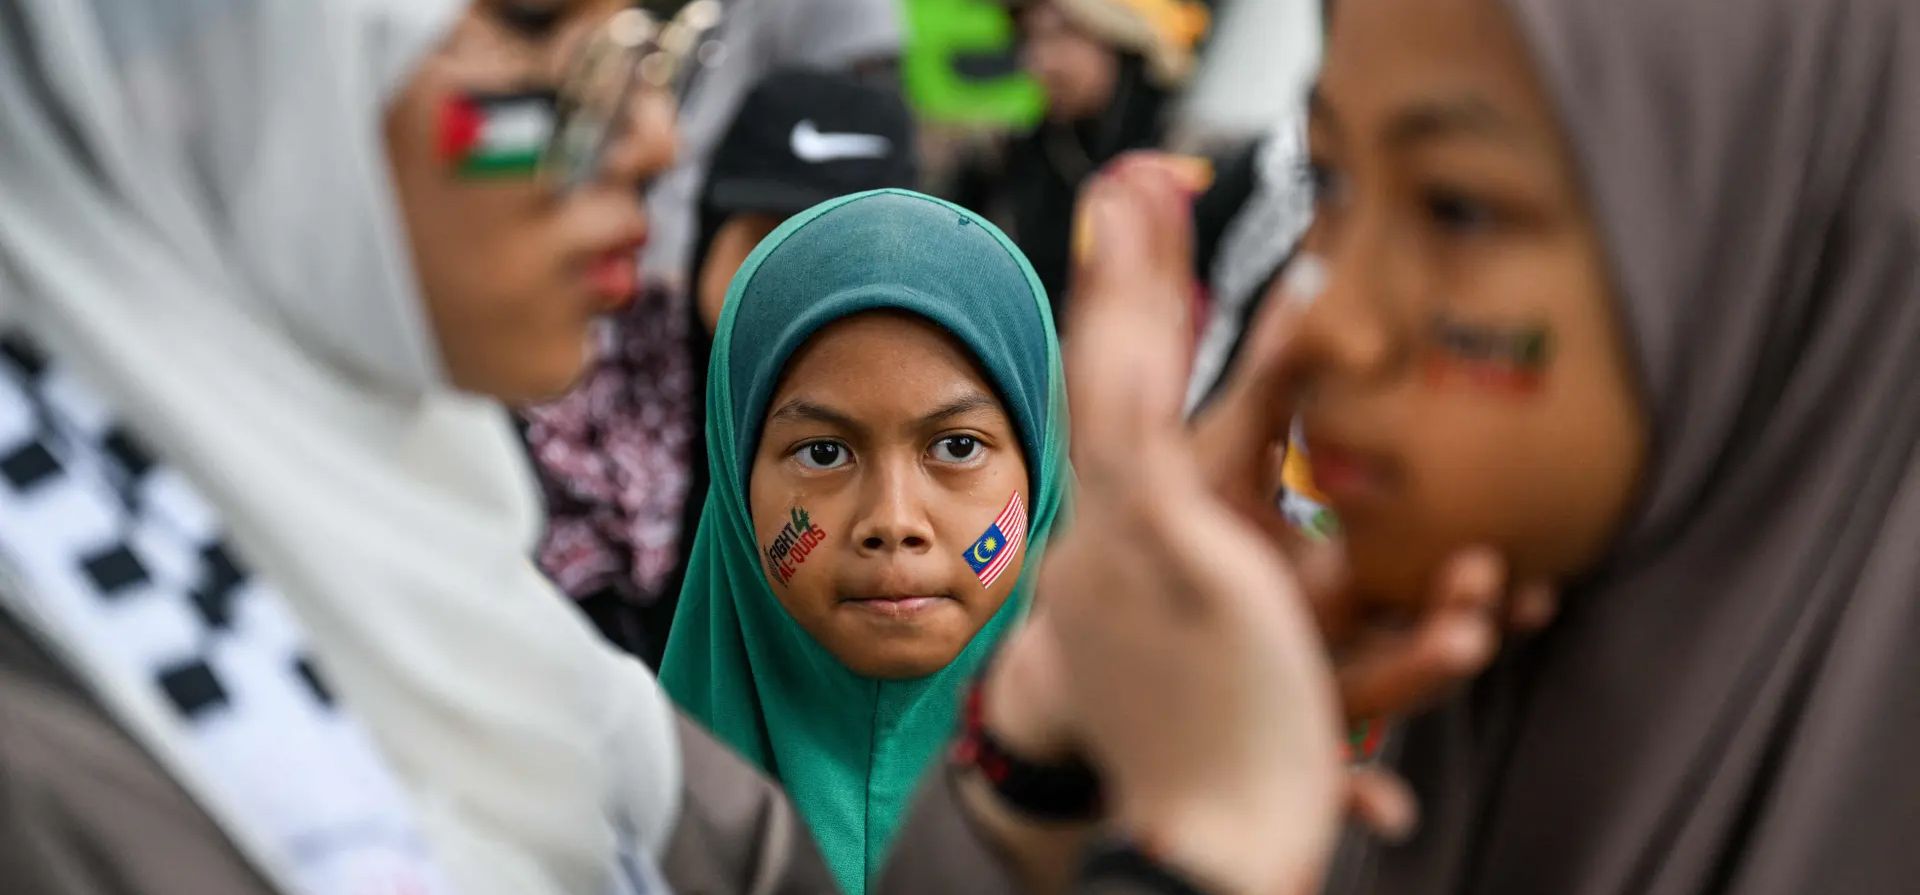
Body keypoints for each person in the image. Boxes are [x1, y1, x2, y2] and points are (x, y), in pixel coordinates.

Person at [895, 0, 1918, 889]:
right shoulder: (1430, 757)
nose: (1331, 318)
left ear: (1762, 266)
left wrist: (1196, 854)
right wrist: (1053, 734)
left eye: (1457, 206)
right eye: (1331, 186)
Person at [0, 2, 835, 892]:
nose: (654, 140)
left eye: (655, 43)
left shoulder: (470, 574)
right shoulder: (45, 753)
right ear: (238, 73)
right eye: (533, 24)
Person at [662, 189, 1070, 894]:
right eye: (823, 452)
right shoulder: (620, 836)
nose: (893, 519)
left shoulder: (1169, 826)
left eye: (957, 445)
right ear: (734, 479)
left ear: (1039, 469)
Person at [953, 0, 1210, 313]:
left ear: (1118, 38)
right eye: (1029, 38)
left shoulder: (1181, 156)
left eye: (1060, 36)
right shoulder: (1019, 154)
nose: (1039, 61)